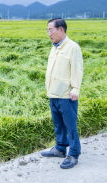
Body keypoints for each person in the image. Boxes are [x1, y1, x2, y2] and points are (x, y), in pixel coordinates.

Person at [41, 18, 83, 169]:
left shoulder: (73, 47)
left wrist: (75, 89)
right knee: (58, 124)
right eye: (48, 30)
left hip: (66, 95)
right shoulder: (55, 47)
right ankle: (60, 149)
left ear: (61, 30)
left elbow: (77, 70)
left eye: (50, 30)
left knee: (70, 126)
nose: (49, 33)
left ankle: (74, 154)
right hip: (53, 93)